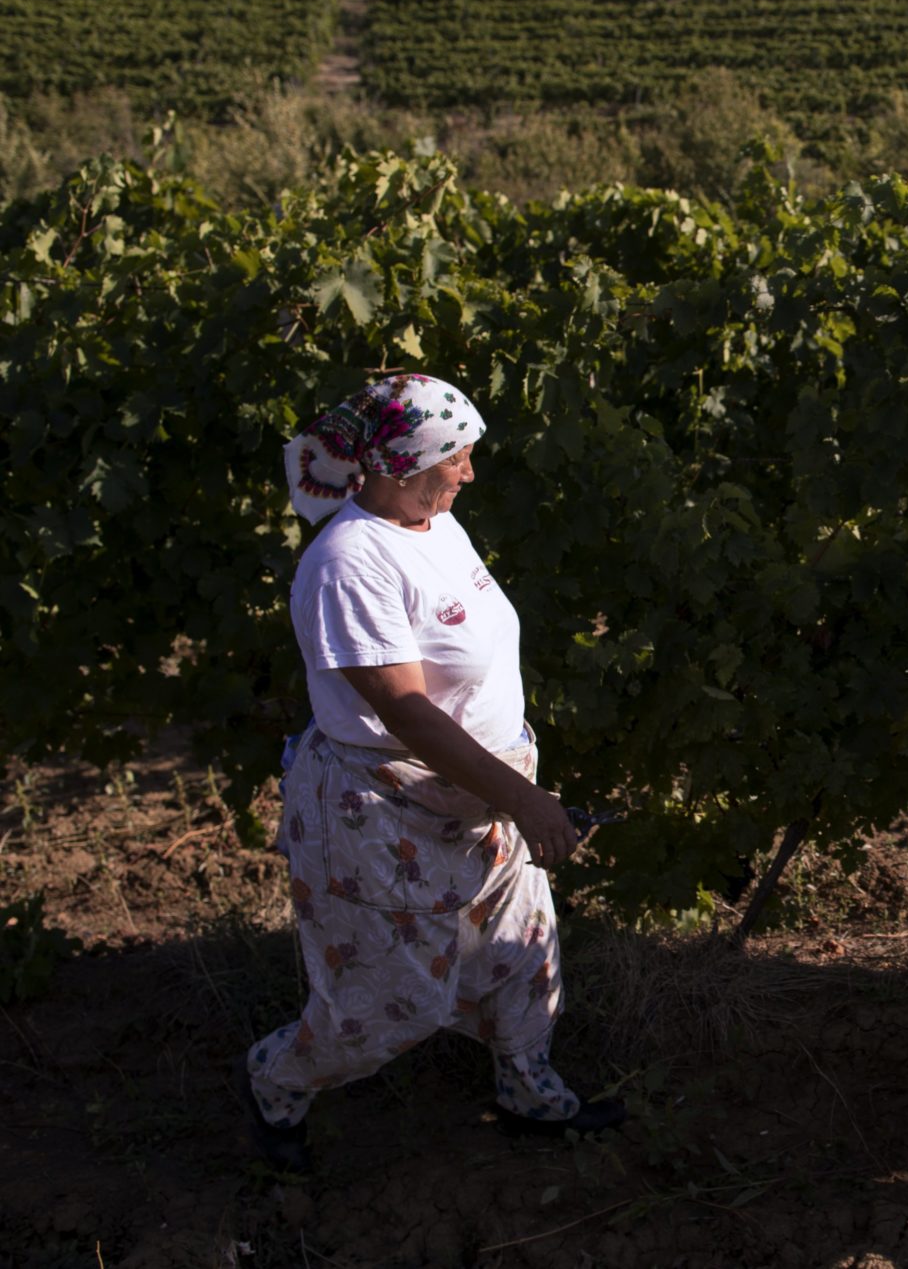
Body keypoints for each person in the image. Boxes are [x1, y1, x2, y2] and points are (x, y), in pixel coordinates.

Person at [236, 373, 623, 1173]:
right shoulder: (348, 561)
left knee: (523, 957)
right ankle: (276, 1083)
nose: (470, 473)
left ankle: (529, 1096)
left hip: (481, 799)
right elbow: (406, 712)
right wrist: (523, 799)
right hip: (386, 818)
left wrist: (508, 792)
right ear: (402, 464)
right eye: (458, 457)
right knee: (384, 1005)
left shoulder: (431, 521)